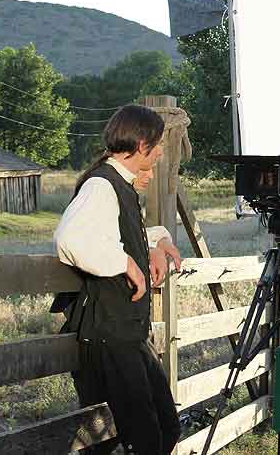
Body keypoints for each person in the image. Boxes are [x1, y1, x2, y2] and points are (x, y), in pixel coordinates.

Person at [53, 104, 183, 454]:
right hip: (108, 336)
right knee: (144, 440)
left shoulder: (118, 185)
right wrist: (124, 262)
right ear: (141, 144)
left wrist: (157, 242)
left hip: (126, 334)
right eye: (156, 145)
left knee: (164, 429)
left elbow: (125, 233)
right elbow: (70, 241)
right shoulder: (101, 185)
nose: (158, 154)